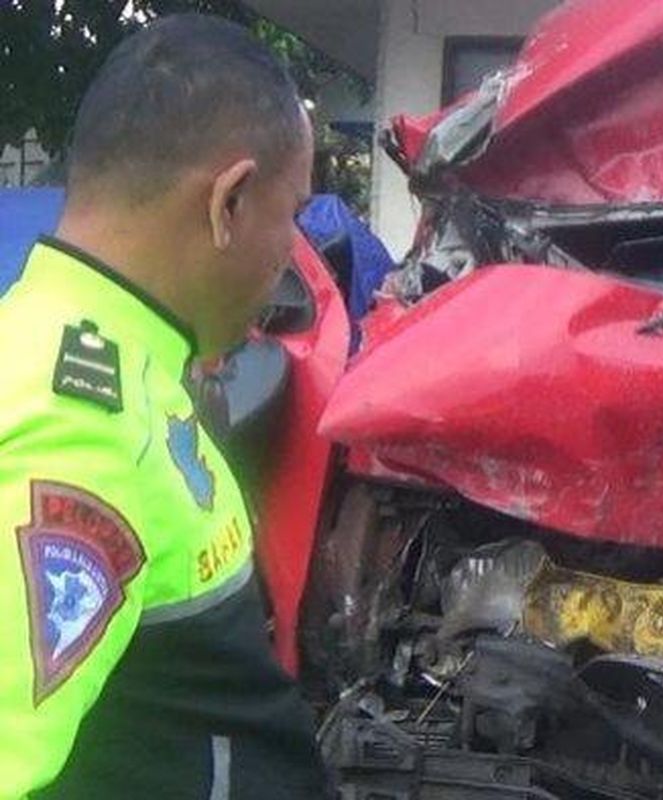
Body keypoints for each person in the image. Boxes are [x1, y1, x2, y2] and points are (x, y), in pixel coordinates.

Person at [0, 14, 328, 799]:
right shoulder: (82, 434)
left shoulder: (79, 346)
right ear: (229, 202)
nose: (292, 252)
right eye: (293, 212)